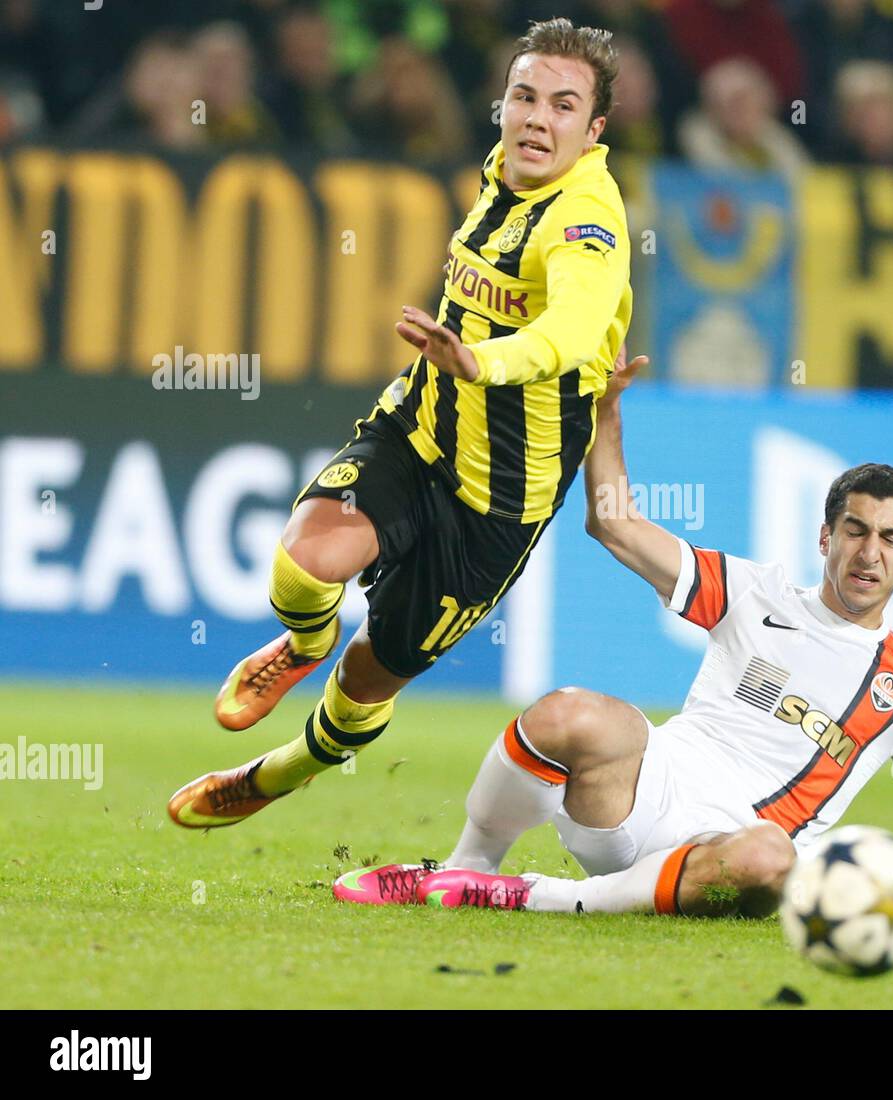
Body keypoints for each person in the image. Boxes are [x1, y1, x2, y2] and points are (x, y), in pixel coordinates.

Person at [333, 350, 893, 936]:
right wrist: (607, 414)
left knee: (771, 860)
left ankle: (531, 896)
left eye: (890, 538)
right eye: (854, 530)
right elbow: (614, 523)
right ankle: (470, 866)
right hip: (641, 798)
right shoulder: (755, 594)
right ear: (826, 535)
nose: (868, 553)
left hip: (733, 854)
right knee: (570, 713)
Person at [167, 18, 634, 829]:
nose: (536, 118)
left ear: (593, 133)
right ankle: (302, 644)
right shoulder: (504, 170)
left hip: (499, 502)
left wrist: (482, 363)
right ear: (502, 105)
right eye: (524, 96)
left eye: (563, 106)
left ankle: (281, 772)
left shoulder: (586, 220)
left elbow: (571, 330)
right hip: (420, 429)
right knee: (306, 565)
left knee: (366, 685)